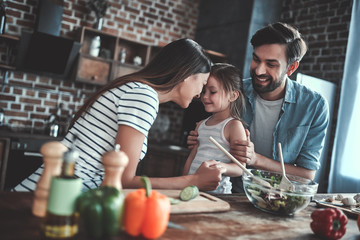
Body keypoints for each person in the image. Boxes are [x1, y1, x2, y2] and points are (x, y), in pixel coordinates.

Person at [13, 38, 225, 192]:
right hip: (46, 199)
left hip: (55, 193)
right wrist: (192, 180)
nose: (201, 94)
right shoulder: (144, 97)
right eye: (203, 84)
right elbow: (123, 180)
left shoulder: (137, 90)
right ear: (186, 76)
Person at [187, 22, 329, 192]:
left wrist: (255, 159)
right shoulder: (235, 92)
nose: (259, 70)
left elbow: (307, 175)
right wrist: (200, 138)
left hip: (280, 197)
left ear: (291, 67)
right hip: (233, 193)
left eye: (271, 64)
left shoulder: (314, 106)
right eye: (256, 59)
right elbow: (214, 128)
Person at [182, 63, 247, 194]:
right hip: (194, 190)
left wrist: (221, 167)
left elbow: (240, 168)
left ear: (232, 96)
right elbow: (191, 157)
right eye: (204, 90)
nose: (204, 96)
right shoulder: (201, 124)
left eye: (212, 92)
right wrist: (184, 181)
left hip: (218, 194)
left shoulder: (233, 126)